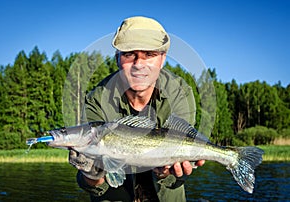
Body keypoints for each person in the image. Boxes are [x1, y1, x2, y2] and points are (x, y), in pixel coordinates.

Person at [69, 16, 205, 202]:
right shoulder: (97, 99)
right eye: (129, 54)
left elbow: (178, 172)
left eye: (149, 55)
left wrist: (166, 173)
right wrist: (92, 174)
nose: (139, 64)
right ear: (118, 58)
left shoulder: (179, 93)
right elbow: (92, 183)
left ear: (162, 59)